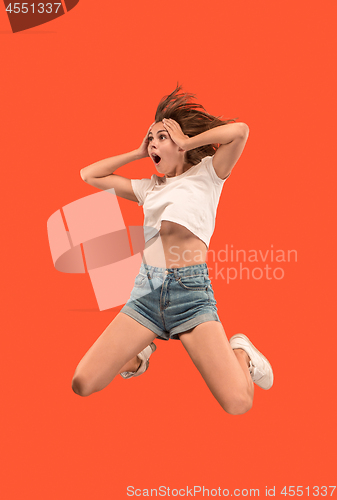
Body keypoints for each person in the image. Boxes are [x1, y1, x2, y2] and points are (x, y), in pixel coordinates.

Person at [71, 86, 273, 415]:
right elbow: (89, 175)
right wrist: (137, 153)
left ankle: (241, 353)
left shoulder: (209, 174)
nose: (153, 144)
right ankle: (142, 353)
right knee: (83, 382)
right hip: (146, 292)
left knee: (238, 403)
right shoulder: (149, 187)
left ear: (181, 142)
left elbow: (241, 132)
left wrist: (189, 142)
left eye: (161, 138)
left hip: (190, 295)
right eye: (150, 138)